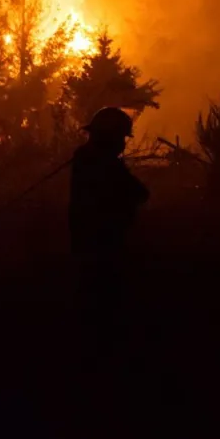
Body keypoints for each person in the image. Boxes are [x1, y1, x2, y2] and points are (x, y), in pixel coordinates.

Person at [69, 107, 149, 316]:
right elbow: (139, 192)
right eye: (121, 137)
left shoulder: (86, 158)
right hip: (102, 244)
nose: (123, 143)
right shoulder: (103, 164)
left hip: (88, 242)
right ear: (110, 137)